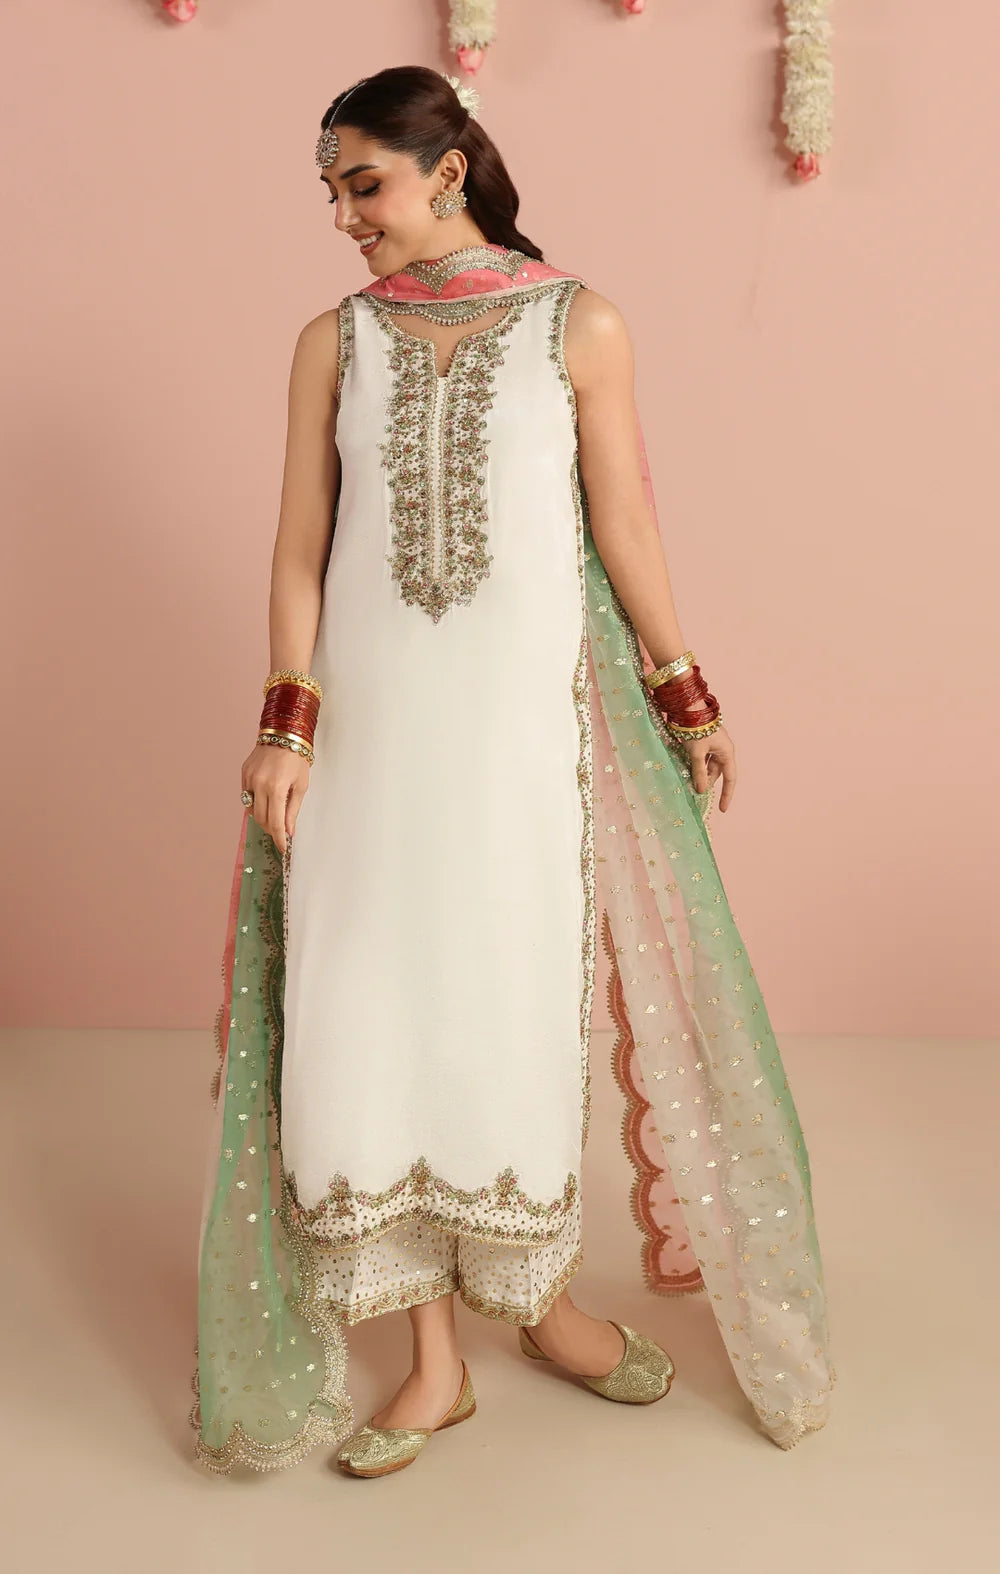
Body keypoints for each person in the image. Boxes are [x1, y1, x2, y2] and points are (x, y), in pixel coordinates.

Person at [190, 65, 835, 1479]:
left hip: (516, 738)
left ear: (448, 169)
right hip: (369, 740)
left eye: (364, 184)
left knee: (509, 994)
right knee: (370, 1003)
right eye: (331, 194)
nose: (345, 217)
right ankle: (434, 1362)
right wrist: (287, 725)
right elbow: (298, 548)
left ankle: (542, 1304)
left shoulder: (577, 323)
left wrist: (685, 687)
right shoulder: (333, 343)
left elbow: (626, 525)